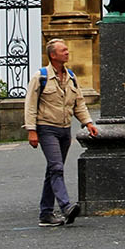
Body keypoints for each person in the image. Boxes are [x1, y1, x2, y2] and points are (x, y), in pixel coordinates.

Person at [23, 37, 99, 226]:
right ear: (53, 55)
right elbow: (30, 106)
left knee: (53, 170)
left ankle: (46, 214)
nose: (67, 52)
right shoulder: (39, 77)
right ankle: (66, 207)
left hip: (65, 130)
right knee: (56, 167)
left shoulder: (71, 76)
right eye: (63, 50)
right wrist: (32, 131)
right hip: (46, 128)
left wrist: (87, 122)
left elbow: (78, 103)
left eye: (66, 50)